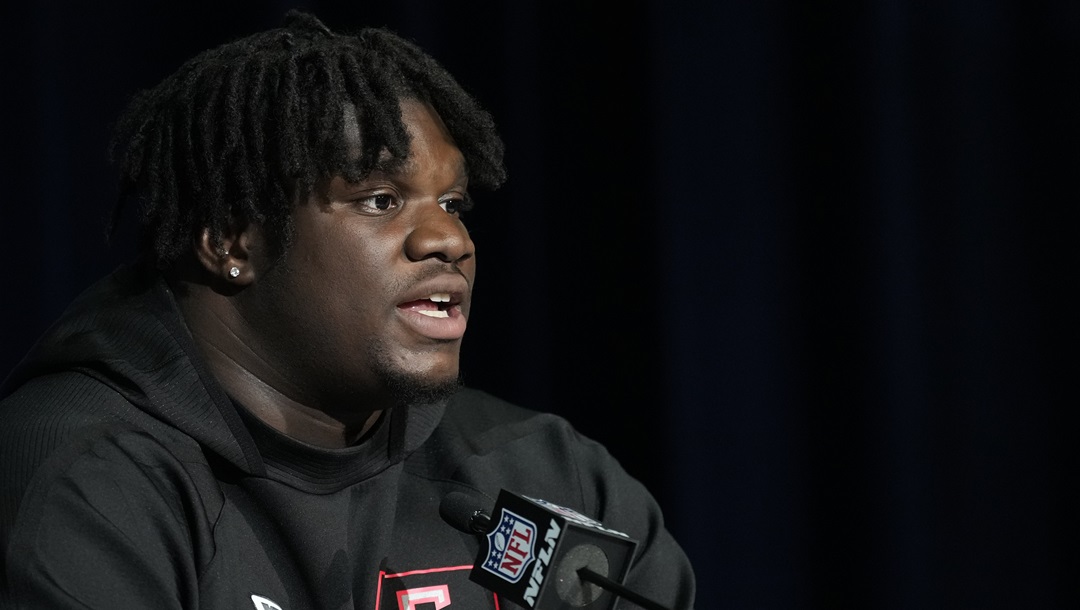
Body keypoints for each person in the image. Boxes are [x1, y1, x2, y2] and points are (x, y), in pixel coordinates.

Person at [0, 11, 695, 609]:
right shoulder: (84, 483)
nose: (449, 239)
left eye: (453, 205)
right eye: (379, 201)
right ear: (230, 241)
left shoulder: (546, 477)